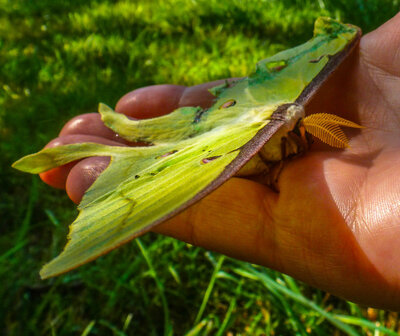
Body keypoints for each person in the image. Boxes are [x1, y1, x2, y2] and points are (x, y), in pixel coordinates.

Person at [39, 13, 400, 310]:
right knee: (146, 148)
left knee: (143, 145)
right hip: (240, 129)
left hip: (256, 117)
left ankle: (126, 146)